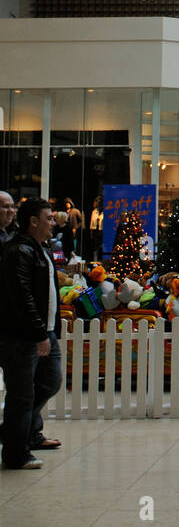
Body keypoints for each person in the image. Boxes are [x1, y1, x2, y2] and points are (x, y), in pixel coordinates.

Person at [0, 198, 63, 469]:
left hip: (43, 331)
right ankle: (16, 452)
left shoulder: (41, 249)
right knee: (21, 394)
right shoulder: (19, 250)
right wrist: (38, 332)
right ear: (33, 221)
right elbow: (21, 295)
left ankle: (14, 431)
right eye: (48, 218)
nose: (54, 222)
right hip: (24, 335)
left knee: (50, 381)